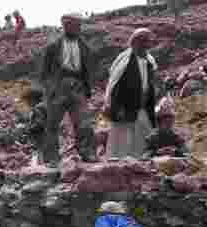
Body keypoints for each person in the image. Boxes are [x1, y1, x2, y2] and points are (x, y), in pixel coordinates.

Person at [37, 13, 96, 163]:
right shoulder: (52, 46)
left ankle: (87, 152)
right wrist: (49, 89)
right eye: (76, 25)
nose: (79, 28)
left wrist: (87, 88)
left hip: (77, 86)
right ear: (66, 25)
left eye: (79, 25)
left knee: (84, 122)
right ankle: (51, 157)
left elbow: (87, 69)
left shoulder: (84, 46)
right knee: (52, 123)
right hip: (58, 87)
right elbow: (43, 72)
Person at [105, 28, 159, 160]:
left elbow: (153, 82)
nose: (146, 45)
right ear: (135, 42)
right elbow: (114, 85)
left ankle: (140, 164)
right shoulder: (125, 60)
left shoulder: (149, 60)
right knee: (122, 138)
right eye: (143, 41)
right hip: (124, 107)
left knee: (145, 135)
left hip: (142, 106)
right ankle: (117, 165)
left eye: (148, 42)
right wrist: (115, 107)